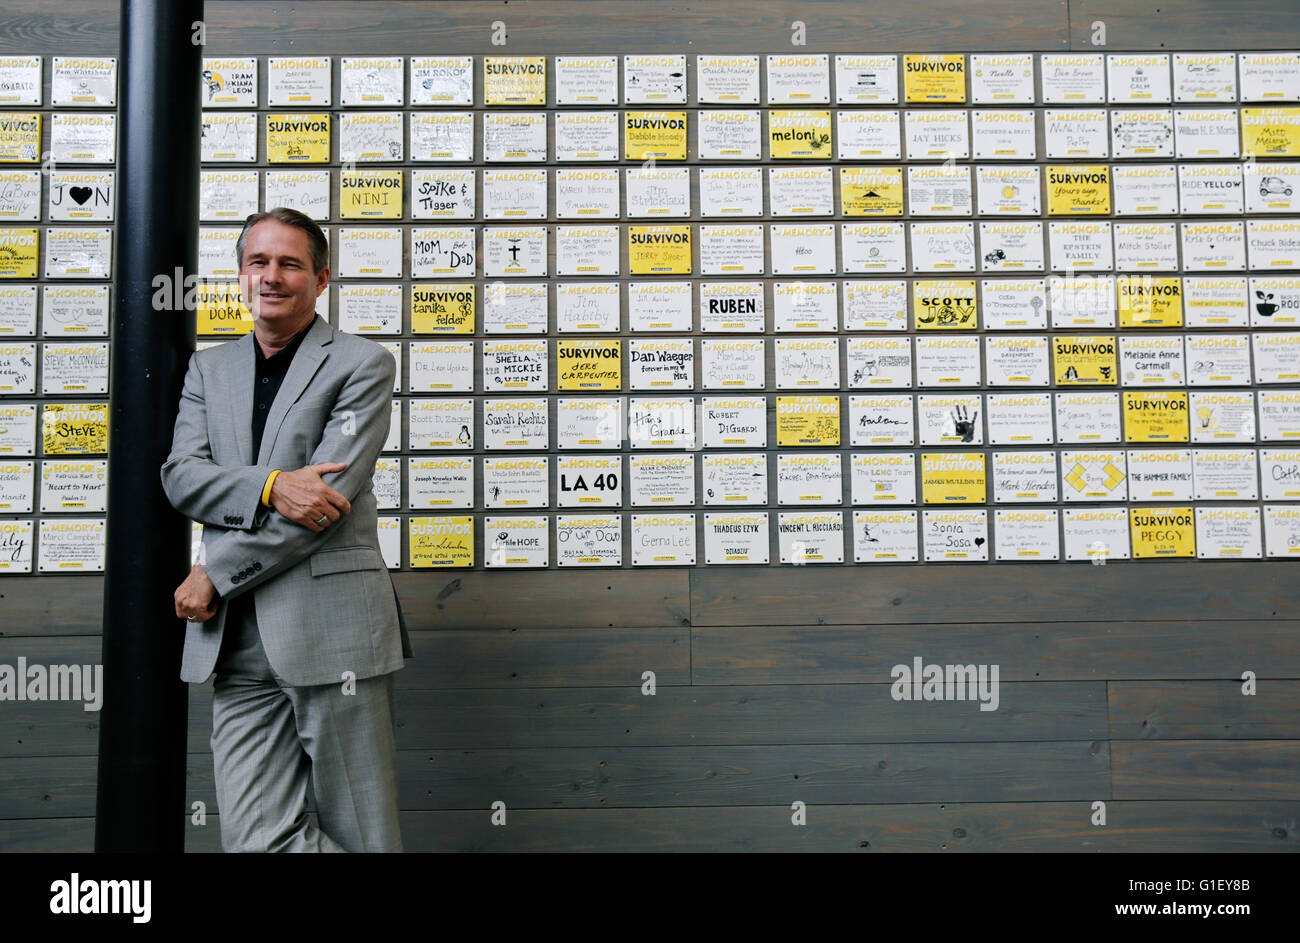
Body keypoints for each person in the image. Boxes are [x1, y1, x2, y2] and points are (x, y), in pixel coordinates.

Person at [161, 207, 411, 852]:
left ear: (321, 278)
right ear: (241, 275)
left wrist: (214, 570)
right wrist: (272, 485)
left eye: (290, 263)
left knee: (362, 833)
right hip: (234, 641)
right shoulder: (207, 370)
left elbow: (325, 508)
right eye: (258, 262)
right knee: (255, 841)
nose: (271, 276)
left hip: (333, 634)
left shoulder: (362, 364)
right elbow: (181, 477)